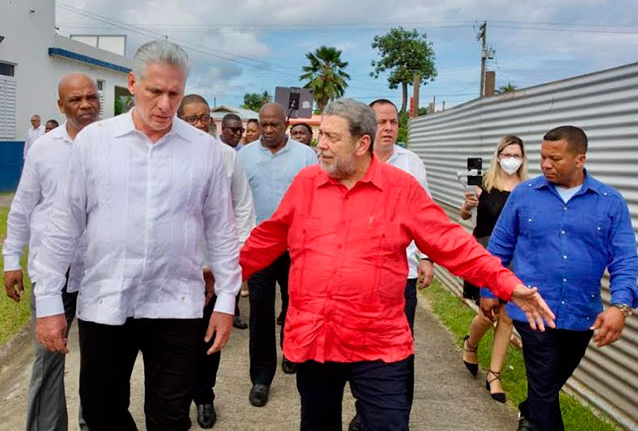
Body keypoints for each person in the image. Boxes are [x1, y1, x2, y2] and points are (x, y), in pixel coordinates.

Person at [240, 98, 555, 431]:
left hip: (377, 342)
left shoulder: (401, 189)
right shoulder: (306, 184)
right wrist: (225, 277)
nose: (321, 145)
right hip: (317, 337)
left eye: (332, 137)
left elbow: (452, 243)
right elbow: (269, 237)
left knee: (389, 424)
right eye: (323, 136)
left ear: (362, 143)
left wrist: (507, 283)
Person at [33, 40, 242, 431]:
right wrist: (48, 301)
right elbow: (63, 225)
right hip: (106, 301)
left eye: (174, 93)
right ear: (132, 83)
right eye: (155, 91)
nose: (165, 104)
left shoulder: (204, 150)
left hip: (176, 304)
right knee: (101, 412)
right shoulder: (94, 143)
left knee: (170, 417)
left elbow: (221, 228)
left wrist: (227, 298)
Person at [482, 126, 637, 431]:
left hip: (581, 315)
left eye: (555, 158)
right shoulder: (524, 195)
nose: (545, 164)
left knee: (548, 386)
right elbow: (499, 246)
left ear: (580, 159)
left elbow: (625, 260)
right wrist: (489, 288)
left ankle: (529, 411)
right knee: (543, 385)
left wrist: (620, 307)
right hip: (533, 312)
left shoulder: (609, 202)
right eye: (542, 157)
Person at [2, 73, 100, 431]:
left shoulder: (116, 145)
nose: (86, 104)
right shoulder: (43, 148)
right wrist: (11, 259)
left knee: (99, 366)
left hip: (98, 276)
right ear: (61, 106)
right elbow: (23, 207)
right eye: (76, 99)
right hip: (52, 276)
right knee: (47, 363)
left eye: (91, 97)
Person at [347, 98, 435, 431]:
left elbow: (425, 216)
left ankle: (398, 417)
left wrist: (425, 257)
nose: (388, 128)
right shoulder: (353, 161)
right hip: (359, 277)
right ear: (367, 127)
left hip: (402, 276)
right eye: (381, 122)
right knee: (361, 352)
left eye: (394, 122)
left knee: (400, 350)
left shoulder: (411, 162)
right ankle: (366, 410)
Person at [177, 93, 256, 428]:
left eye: (205, 117)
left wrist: (231, 267)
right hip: (174, 272)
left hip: (214, 271)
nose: (200, 124)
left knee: (208, 340)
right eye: (192, 118)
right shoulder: (165, 156)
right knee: (175, 342)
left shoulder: (226, 156)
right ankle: (175, 402)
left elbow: (243, 211)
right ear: (178, 119)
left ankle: (204, 398)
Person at [238, 102, 318, 407]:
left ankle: (291, 351)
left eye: (275, 125)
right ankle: (260, 377)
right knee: (259, 310)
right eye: (264, 125)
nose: (269, 131)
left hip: (297, 245)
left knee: (294, 303)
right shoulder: (244, 156)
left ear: (286, 123)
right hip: (259, 245)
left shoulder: (305, 156)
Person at [458, 135, 528, 404]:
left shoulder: (528, 188)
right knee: (488, 314)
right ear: (498, 156)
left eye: (517, 155)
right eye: (507, 154)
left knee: (507, 315)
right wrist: (467, 206)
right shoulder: (483, 185)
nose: (512, 159)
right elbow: (466, 217)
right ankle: (470, 344)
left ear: (523, 159)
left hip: (516, 257)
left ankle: (494, 374)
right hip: (485, 253)